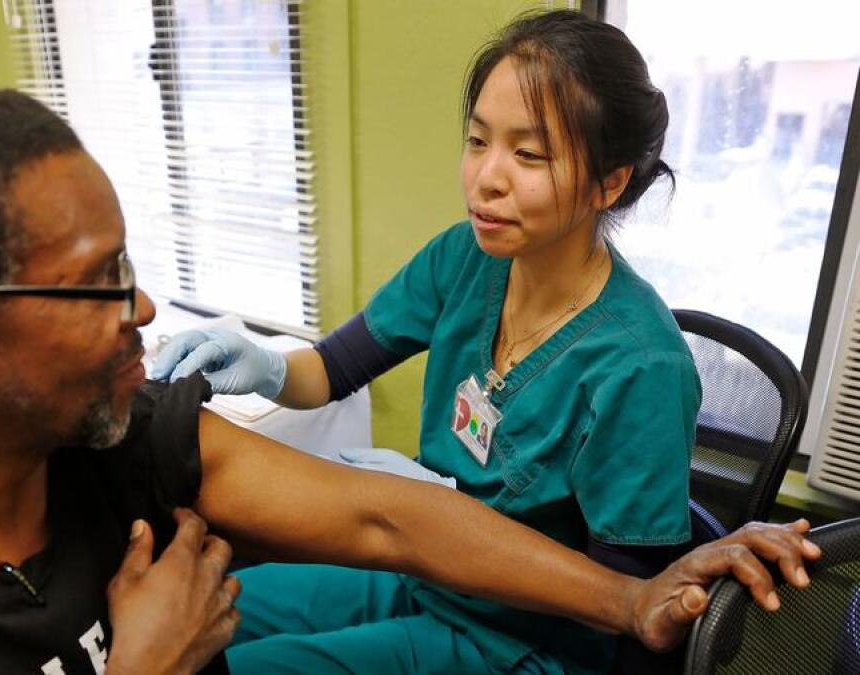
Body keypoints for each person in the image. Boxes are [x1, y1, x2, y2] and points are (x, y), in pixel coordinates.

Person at [0, 89, 818, 675]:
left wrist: (635, 595)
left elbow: (385, 513)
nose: (142, 312)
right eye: (103, 283)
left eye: (529, 153)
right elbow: (344, 380)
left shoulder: (106, 435)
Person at [153, 10, 716, 674]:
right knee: (205, 606)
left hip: (525, 641)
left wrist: (438, 507)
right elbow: (334, 368)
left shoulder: (640, 367)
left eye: (528, 154)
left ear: (609, 181)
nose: (487, 177)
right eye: (479, 141)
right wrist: (268, 366)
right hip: (427, 570)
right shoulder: (465, 260)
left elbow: (627, 611)